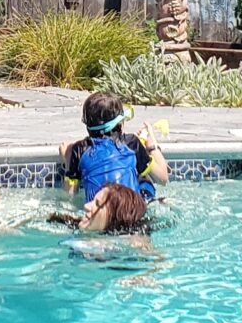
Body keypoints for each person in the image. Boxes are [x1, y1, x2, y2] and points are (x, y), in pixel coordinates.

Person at [54, 92, 167, 232]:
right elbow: (163, 178)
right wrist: (152, 146)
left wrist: (68, 160)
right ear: (121, 123)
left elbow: (69, 196)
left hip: (97, 220)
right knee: (145, 177)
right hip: (133, 218)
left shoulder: (78, 150)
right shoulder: (131, 143)